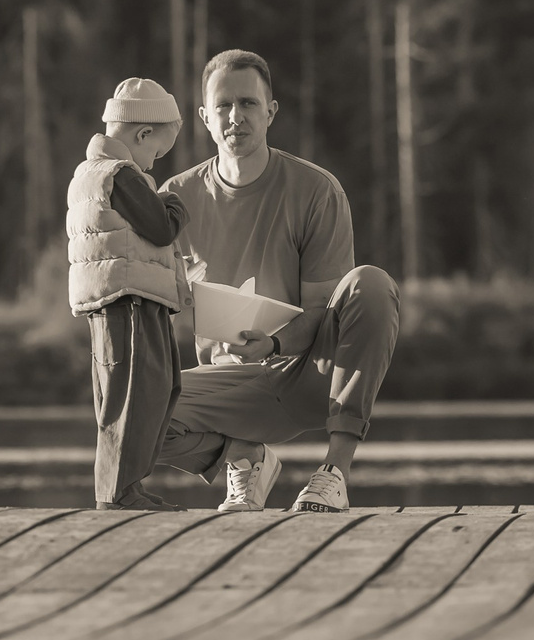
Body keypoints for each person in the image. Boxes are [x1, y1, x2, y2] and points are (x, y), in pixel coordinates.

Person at [158, 48, 402, 512]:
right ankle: (245, 459)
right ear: (204, 117)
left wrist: (269, 345)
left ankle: (333, 476)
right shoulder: (175, 199)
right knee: (132, 413)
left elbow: (319, 311)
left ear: (270, 112)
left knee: (371, 284)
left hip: (307, 374)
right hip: (227, 383)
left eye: (249, 104)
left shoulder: (316, 190)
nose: (236, 116)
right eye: (224, 106)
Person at [68, 77, 192, 509]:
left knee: (140, 390)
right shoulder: (120, 175)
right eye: (156, 152)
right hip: (131, 300)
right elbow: (160, 227)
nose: (154, 163)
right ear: (142, 134)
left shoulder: (88, 174)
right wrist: (174, 202)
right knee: (140, 391)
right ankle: (120, 493)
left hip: (120, 298)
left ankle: (125, 487)